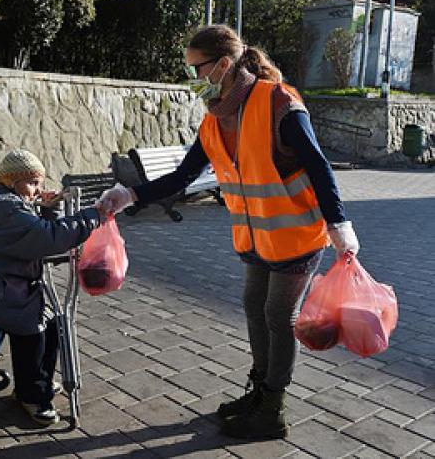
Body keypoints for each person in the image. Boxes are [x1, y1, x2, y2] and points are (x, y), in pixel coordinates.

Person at [97, 25, 359, 440]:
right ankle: (259, 391)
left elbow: (318, 163)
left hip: (296, 235)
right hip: (257, 238)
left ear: (222, 65)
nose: (191, 80)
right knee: (253, 305)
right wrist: (129, 194)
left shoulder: (278, 103)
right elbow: (184, 175)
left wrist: (338, 223)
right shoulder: (215, 119)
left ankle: (273, 409)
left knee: (277, 314)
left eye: (195, 70)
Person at [0, 149, 105, 425]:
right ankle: (31, 394)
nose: (37, 190)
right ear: (11, 181)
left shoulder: (4, 201)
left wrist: (49, 208)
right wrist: (93, 216)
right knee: (32, 325)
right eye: (32, 183)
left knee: (52, 320)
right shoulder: (4, 208)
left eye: (39, 184)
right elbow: (46, 238)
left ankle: (34, 383)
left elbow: (38, 238)